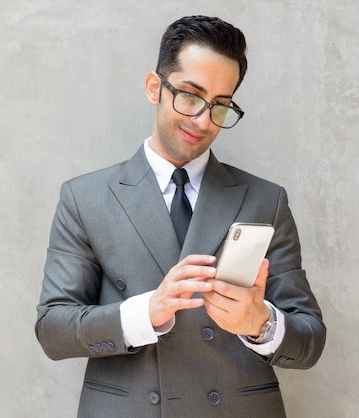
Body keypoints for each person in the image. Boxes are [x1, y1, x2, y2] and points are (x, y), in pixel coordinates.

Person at [35, 15, 326, 418]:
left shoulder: (266, 200)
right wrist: (147, 312)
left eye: (221, 106)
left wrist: (261, 323)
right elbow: (53, 330)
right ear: (155, 87)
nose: (204, 121)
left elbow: (310, 340)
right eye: (190, 95)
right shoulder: (84, 198)